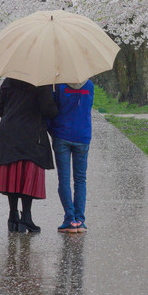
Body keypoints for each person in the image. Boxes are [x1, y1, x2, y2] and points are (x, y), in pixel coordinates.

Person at [0, 77, 58, 233]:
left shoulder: (9, 80)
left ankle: (12, 216)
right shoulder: (40, 82)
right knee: (26, 176)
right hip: (31, 134)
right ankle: (26, 218)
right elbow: (49, 110)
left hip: (8, 132)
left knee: (12, 176)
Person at [48, 79, 94, 233]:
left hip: (62, 135)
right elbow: (87, 108)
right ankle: (80, 220)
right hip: (83, 136)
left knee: (64, 179)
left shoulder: (58, 86)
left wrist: (52, 131)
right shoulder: (89, 85)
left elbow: (51, 111)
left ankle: (70, 219)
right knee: (81, 179)